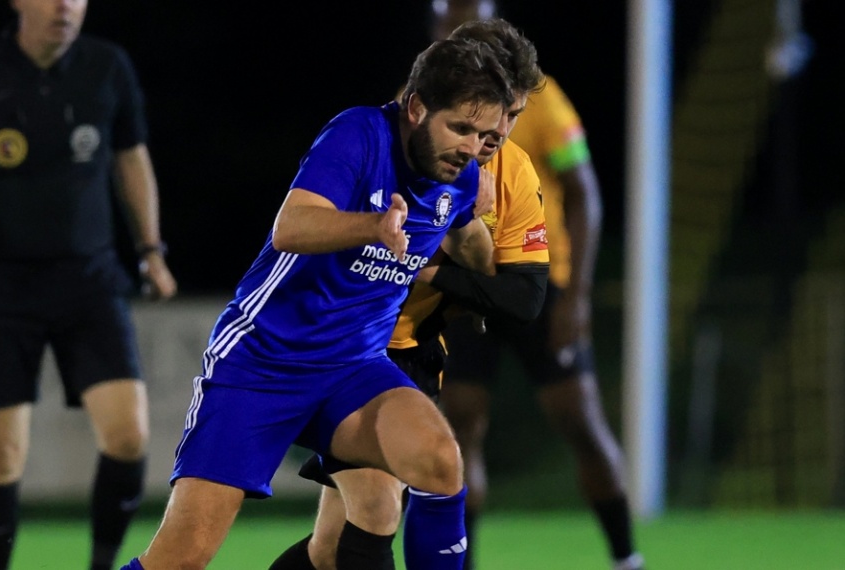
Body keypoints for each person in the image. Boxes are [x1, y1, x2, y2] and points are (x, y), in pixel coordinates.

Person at [118, 36, 515, 570]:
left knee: (438, 463)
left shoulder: (460, 175)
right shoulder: (359, 133)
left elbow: (471, 244)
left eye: (486, 136)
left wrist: (477, 243)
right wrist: (374, 226)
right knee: (182, 556)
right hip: (263, 361)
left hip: (355, 370)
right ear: (418, 107)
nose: (470, 146)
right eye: (460, 128)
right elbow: (291, 227)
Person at [268, 17, 549, 570]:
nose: (498, 131)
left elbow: (522, 297)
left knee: (332, 548)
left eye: (512, 115)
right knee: (374, 513)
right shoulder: (397, 139)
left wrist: (443, 260)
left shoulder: (509, 173)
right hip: (341, 344)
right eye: (489, 110)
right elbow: (310, 230)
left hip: (410, 353)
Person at [433, 2, 646, 570]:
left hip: (539, 281)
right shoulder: (426, 99)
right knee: (457, 432)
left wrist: (575, 296)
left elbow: (585, 192)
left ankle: (627, 556)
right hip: (467, 287)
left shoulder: (541, 100)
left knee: (579, 421)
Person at [0, 1, 177, 569]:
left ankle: (100, 566)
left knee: (129, 437)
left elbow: (130, 157)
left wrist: (151, 251)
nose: (65, 6)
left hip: (88, 281)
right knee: (0, 461)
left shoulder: (106, 66)